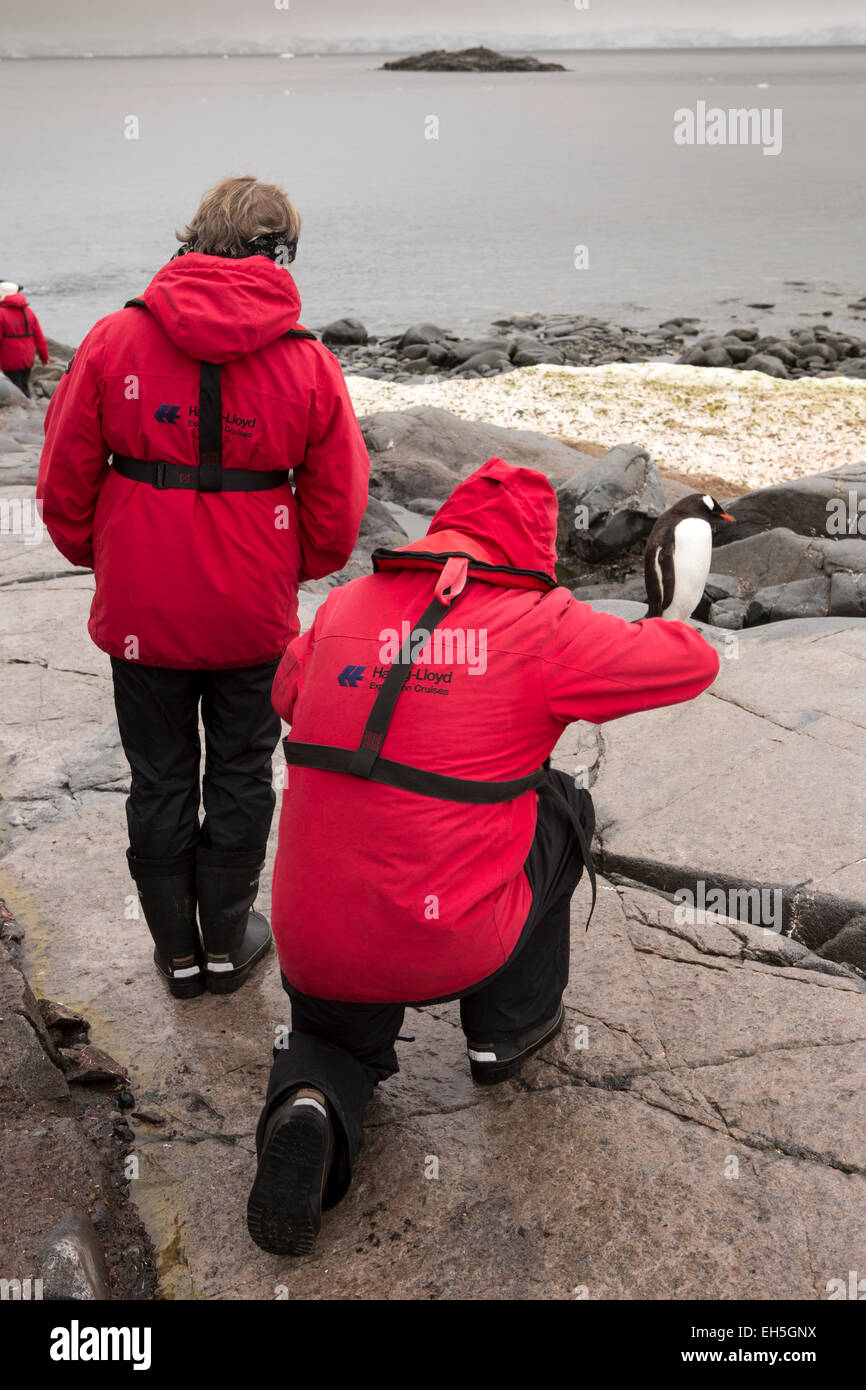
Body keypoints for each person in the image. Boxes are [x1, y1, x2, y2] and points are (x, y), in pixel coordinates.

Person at [246, 457, 720, 1256]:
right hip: (449, 938)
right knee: (563, 805)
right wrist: (671, 610)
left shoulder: (343, 607)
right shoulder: (545, 626)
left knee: (335, 1027)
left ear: (442, 528)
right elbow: (692, 663)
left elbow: (287, 696)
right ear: (533, 551)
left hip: (316, 936)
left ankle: (311, 1103)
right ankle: (506, 1032)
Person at [37, 176, 369, 999]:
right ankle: (225, 943)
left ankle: (177, 956)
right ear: (280, 252)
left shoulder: (115, 339)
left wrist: (104, 554)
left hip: (143, 608)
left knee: (158, 776)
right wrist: (291, 565)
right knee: (242, 773)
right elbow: (339, 505)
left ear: (193, 236)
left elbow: (62, 482)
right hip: (252, 613)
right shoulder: (308, 360)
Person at [0, 281, 49, 397]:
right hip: (27, 358)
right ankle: (28, 404)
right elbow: (40, 338)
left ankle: (21, 409)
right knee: (24, 383)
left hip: (9, 359)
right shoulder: (29, 312)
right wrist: (44, 357)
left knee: (14, 385)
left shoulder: (2, 313)